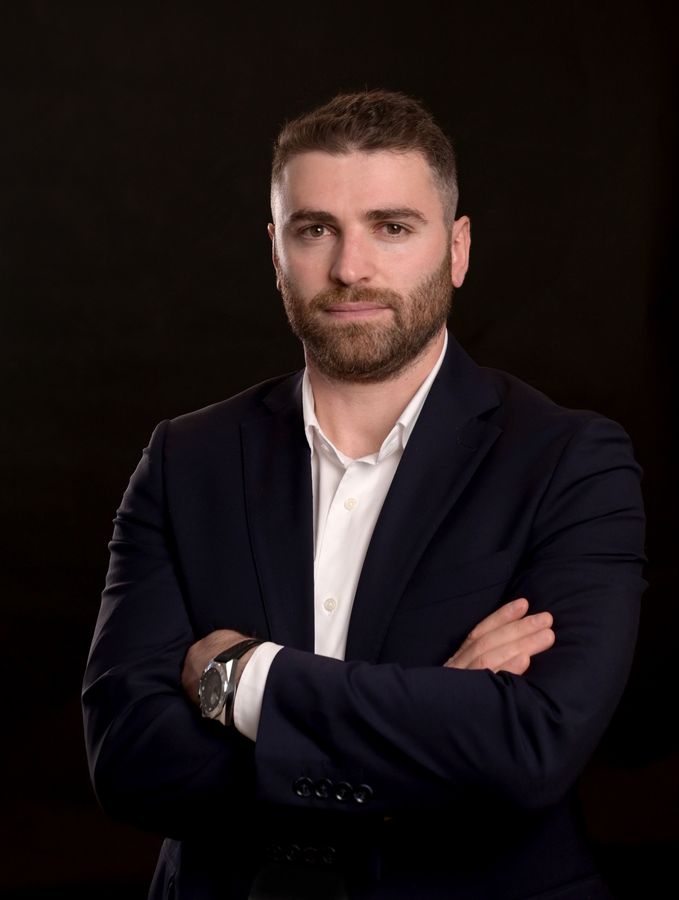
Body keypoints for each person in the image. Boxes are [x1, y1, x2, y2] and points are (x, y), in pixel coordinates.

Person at [82, 90, 646, 900]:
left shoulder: (569, 461)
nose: (350, 268)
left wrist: (243, 680)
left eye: (392, 227)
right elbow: (130, 759)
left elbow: (530, 750)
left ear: (457, 249)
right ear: (276, 251)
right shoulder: (186, 458)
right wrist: (438, 713)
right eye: (316, 230)